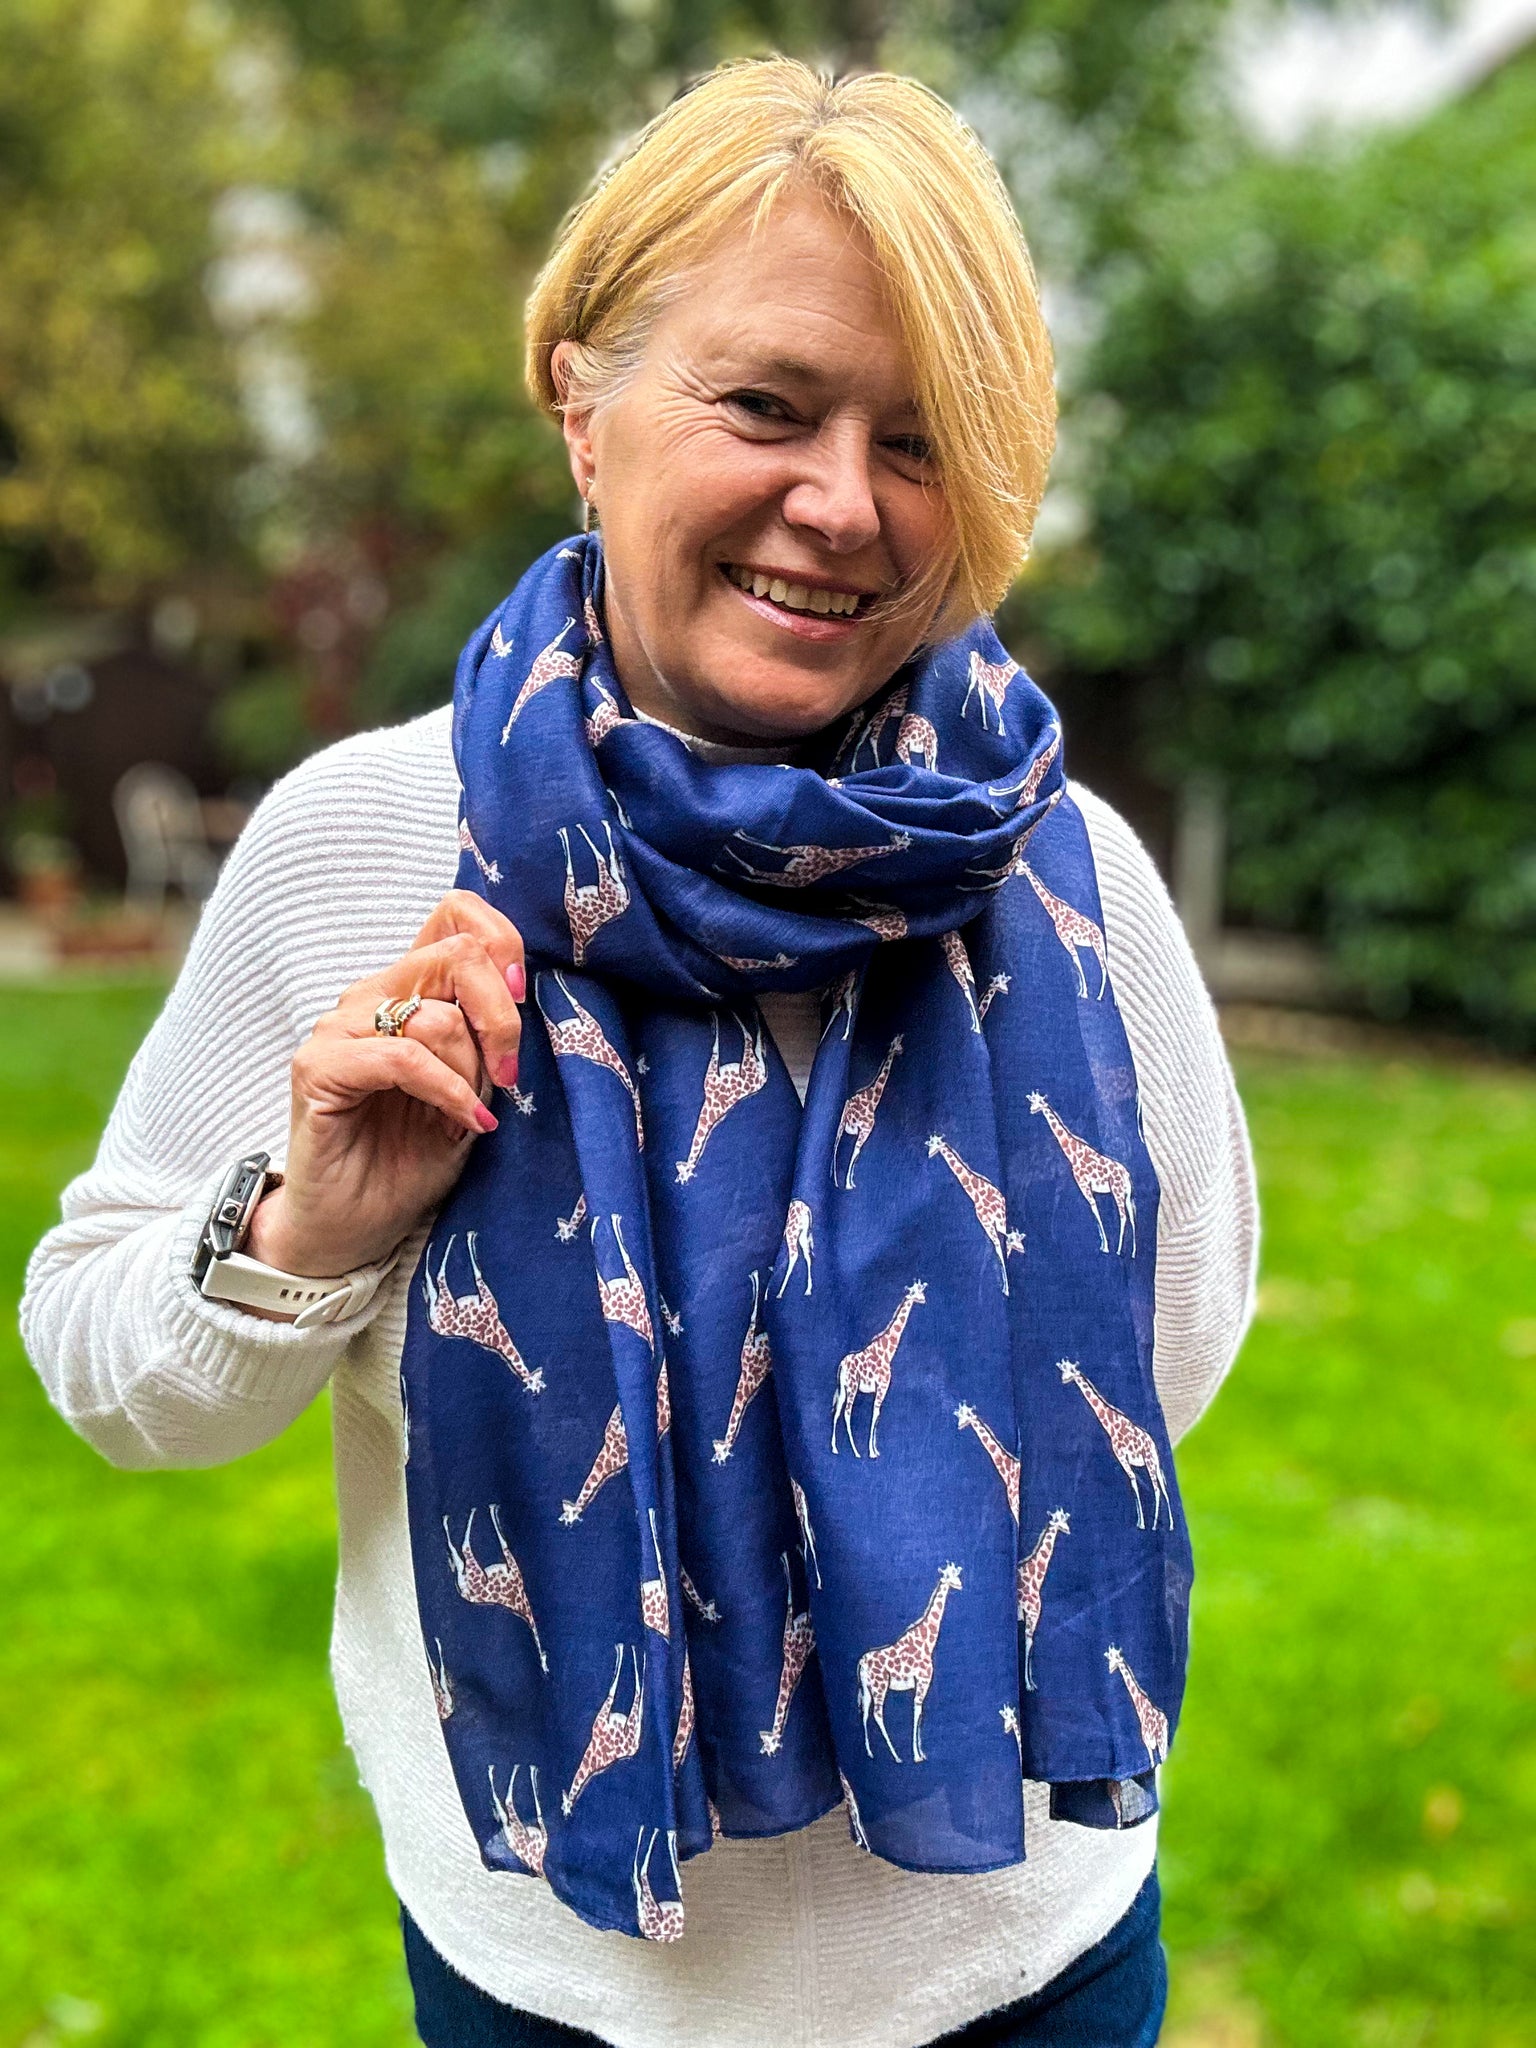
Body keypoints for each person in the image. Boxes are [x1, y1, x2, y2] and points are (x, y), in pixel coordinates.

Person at [22, 57, 1257, 2048]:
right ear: (579, 406)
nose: (842, 502)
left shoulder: (1067, 875)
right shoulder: (364, 847)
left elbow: (1170, 1349)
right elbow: (106, 1374)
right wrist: (307, 1233)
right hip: (554, 1987)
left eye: (920, 438)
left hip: (1021, 1972)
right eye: (765, 403)